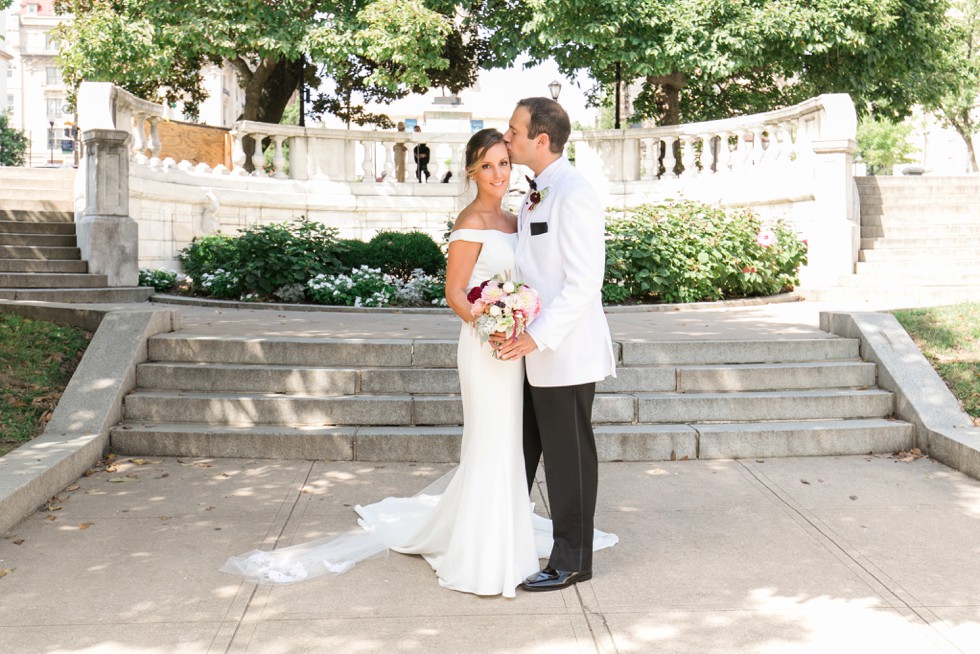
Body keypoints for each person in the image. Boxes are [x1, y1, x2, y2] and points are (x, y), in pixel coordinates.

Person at [218, 128, 616, 598]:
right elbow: (455, 292)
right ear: (471, 171)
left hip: (527, 349)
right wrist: (492, 325)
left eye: (503, 161)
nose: (498, 171)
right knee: (494, 442)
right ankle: (486, 545)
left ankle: (509, 534)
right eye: (487, 165)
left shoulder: (522, 212)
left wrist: (521, 326)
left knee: (515, 447)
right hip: (492, 348)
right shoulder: (471, 221)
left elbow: (565, 278)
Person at [494, 97, 617, 592]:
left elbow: (585, 282)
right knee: (519, 450)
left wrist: (534, 336)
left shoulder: (574, 192)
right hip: (530, 353)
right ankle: (502, 541)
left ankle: (572, 560)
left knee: (569, 461)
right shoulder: (533, 194)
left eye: (513, 132)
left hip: (564, 352)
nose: (506, 138)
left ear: (541, 140)